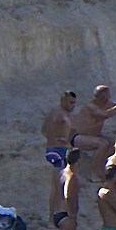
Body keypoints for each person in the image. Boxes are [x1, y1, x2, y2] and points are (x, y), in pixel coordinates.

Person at [42, 90, 78, 222]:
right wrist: (66, 139)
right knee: (58, 187)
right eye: (70, 102)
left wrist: (52, 137)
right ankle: (53, 219)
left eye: (74, 103)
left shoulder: (52, 113)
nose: (72, 106)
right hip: (59, 150)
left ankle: (55, 217)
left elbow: (43, 129)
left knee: (57, 186)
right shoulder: (64, 114)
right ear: (63, 101)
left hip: (50, 149)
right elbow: (74, 128)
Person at [71, 84, 116, 153]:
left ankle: (106, 161)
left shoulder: (106, 103)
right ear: (102, 97)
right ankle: (96, 164)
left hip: (95, 136)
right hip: (80, 138)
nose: (109, 98)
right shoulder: (90, 107)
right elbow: (105, 114)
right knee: (103, 144)